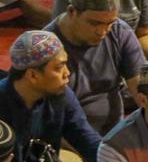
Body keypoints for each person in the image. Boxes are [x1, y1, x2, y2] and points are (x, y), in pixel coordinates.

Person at [45, 0, 145, 134]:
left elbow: (142, 90)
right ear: (72, 11)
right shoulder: (47, 48)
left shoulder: (119, 31)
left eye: (109, 23)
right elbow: (48, 121)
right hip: (69, 138)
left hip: (114, 132)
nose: (102, 32)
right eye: (94, 23)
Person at [0, 31, 101, 161]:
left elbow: (86, 139)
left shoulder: (62, 95)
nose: (67, 73)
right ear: (33, 75)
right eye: (59, 67)